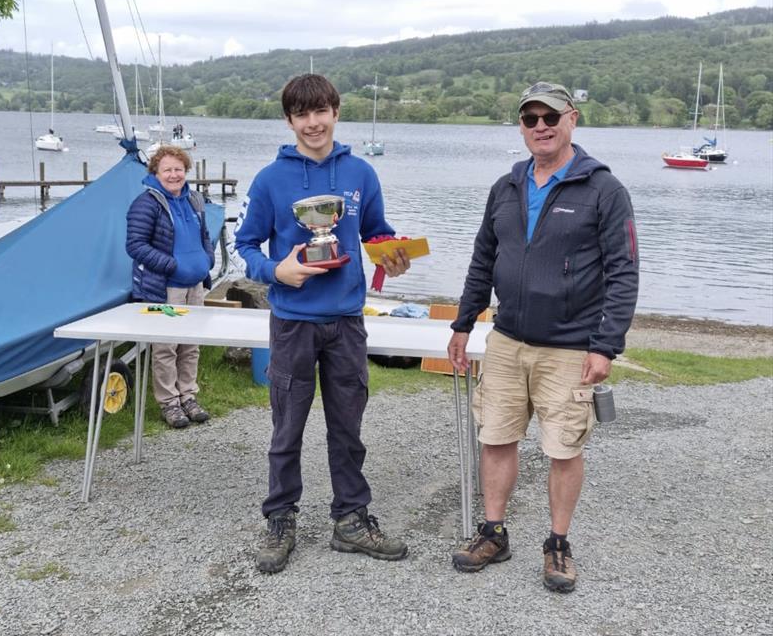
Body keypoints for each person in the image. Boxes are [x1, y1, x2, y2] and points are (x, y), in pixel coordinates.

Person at [447, 81, 639, 592]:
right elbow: (482, 260)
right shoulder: (506, 187)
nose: (541, 127)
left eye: (550, 117)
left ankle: (557, 543)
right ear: (522, 128)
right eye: (530, 119)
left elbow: (624, 272)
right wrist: (463, 324)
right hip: (507, 340)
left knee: (562, 448)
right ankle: (493, 532)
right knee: (495, 436)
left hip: (571, 346)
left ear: (572, 119)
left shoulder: (604, 189)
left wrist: (606, 344)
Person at [234, 73, 411, 574]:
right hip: (292, 323)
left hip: (347, 322)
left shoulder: (360, 174)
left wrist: (391, 256)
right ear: (289, 120)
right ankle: (280, 517)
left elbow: (377, 233)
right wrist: (276, 271)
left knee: (348, 428)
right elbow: (244, 245)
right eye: (301, 114)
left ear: (336, 111)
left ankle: (351, 519)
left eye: (321, 112)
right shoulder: (270, 180)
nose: (313, 123)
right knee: (286, 428)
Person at [126, 144, 215, 429]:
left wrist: (208, 259)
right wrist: (171, 266)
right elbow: (135, 246)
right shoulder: (146, 203)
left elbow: (204, 236)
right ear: (156, 172)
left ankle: (188, 396)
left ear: (185, 171)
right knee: (166, 347)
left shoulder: (194, 200)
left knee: (191, 345)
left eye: (178, 169)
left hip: (196, 286)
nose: (174, 175)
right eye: (168, 170)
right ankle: (169, 403)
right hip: (165, 288)